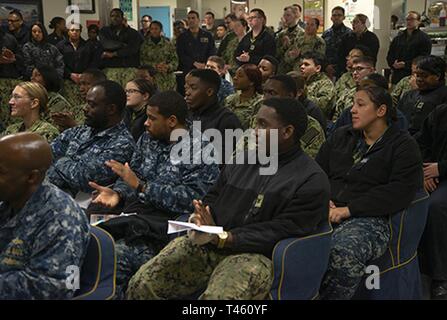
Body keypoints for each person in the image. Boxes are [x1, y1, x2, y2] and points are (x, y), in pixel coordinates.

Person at [126, 97, 330, 300]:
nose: (254, 132)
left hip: (257, 256)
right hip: (212, 242)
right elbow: (213, 196)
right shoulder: (242, 160)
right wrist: (202, 217)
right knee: (143, 283)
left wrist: (228, 238)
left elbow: (285, 229)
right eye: (254, 123)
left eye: (263, 125)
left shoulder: (310, 179)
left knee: (218, 298)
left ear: (287, 132)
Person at [87, 90, 220, 299]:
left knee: (111, 258)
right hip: (133, 215)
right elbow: (132, 174)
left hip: (163, 229)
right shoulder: (149, 138)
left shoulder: (200, 150)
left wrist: (143, 188)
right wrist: (118, 194)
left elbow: (194, 200)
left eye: (152, 118)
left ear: (172, 121)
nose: (146, 123)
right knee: (85, 240)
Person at [317, 81, 423, 300]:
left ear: (381, 110)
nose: (352, 110)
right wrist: (323, 198)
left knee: (343, 252)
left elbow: (399, 191)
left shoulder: (403, 145)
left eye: (360, 104)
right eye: (352, 104)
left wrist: (349, 210)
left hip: (368, 217)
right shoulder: (340, 136)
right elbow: (317, 173)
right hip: (326, 208)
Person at [0, 132, 90, 299]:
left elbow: (57, 288)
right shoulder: (8, 200)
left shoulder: (61, 218)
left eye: (1, 172)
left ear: (31, 177)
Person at [47, 81, 136, 197]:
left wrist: (59, 161)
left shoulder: (122, 144)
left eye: (92, 105)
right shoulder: (81, 130)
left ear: (111, 109)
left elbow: (83, 178)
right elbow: (44, 155)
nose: (85, 108)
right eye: (86, 103)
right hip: (48, 193)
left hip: (78, 205)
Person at [415, 103, 447, 300]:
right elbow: (421, 142)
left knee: (436, 206)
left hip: (443, 173)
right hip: (432, 174)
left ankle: (441, 276)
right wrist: (424, 170)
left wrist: (441, 169)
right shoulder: (441, 111)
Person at [185, 69, 242, 162]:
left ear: (209, 92)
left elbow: (225, 161)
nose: (187, 93)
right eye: (186, 88)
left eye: (193, 88)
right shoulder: (186, 114)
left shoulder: (226, 120)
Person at [262, 74, 326, 158]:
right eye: (264, 93)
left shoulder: (311, 127)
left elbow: (306, 162)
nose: (265, 98)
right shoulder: (259, 120)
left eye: (272, 93)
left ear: (290, 96)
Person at [397, 55, 447, 135]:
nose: (419, 79)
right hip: (404, 141)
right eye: (417, 75)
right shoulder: (409, 95)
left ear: (437, 76)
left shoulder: (445, 96)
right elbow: (397, 119)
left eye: (424, 76)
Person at [99, 8, 143, 86]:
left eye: (117, 16)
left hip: (129, 68)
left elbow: (133, 49)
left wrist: (114, 54)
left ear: (122, 18)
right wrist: (123, 45)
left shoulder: (132, 33)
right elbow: (106, 44)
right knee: (112, 93)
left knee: (129, 92)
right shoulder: (104, 31)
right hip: (111, 68)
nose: (114, 18)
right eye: (112, 16)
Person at [387, 11, 432, 85]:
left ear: (418, 21)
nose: (409, 21)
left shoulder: (424, 38)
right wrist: (393, 64)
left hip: (413, 74)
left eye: (412, 19)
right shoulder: (398, 38)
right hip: (397, 75)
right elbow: (390, 54)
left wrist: (406, 64)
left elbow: (424, 58)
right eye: (407, 19)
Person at [332, 56, 376, 122]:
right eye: (353, 70)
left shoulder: (378, 93)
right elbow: (336, 117)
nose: (355, 73)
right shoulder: (348, 93)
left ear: (371, 70)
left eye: (359, 69)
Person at [140, 21, 178, 91]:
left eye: (156, 29)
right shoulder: (144, 45)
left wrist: (167, 67)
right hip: (151, 78)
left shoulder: (168, 44)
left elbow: (175, 61)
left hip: (167, 78)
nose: (154, 31)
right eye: (152, 29)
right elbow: (142, 61)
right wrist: (155, 66)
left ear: (160, 30)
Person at [176, 11, 216, 77]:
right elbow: (181, 54)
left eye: (193, 18)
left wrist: (206, 64)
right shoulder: (182, 37)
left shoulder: (207, 35)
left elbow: (211, 51)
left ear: (198, 20)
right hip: (189, 70)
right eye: (189, 18)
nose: (191, 20)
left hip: (205, 68)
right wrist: (194, 63)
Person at [224, 64, 263, 130]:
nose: (235, 78)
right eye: (235, 75)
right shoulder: (230, 99)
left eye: (240, 76)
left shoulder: (260, 102)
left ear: (251, 82)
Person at [299, 52, 335, 119]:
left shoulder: (326, 84)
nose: (302, 67)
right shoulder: (301, 81)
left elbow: (322, 105)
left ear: (317, 68)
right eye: (301, 64)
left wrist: (301, 96)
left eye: (306, 64)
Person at [322, 6, 352, 79]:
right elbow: (322, 52)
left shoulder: (349, 33)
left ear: (343, 17)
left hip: (343, 70)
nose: (336, 17)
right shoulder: (326, 33)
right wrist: (326, 66)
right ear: (331, 18)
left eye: (339, 15)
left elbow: (350, 53)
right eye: (334, 15)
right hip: (327, 69)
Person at [276, 6, 304, 75]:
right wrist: (284, 47)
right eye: (284, 15)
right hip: (282, 69)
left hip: (295, 69)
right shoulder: (281, 34)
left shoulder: (302, 33)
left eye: (288, 15)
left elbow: (302, 53)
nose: (285, 17)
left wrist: (291, 46)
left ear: (295, 16)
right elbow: (276, 53)